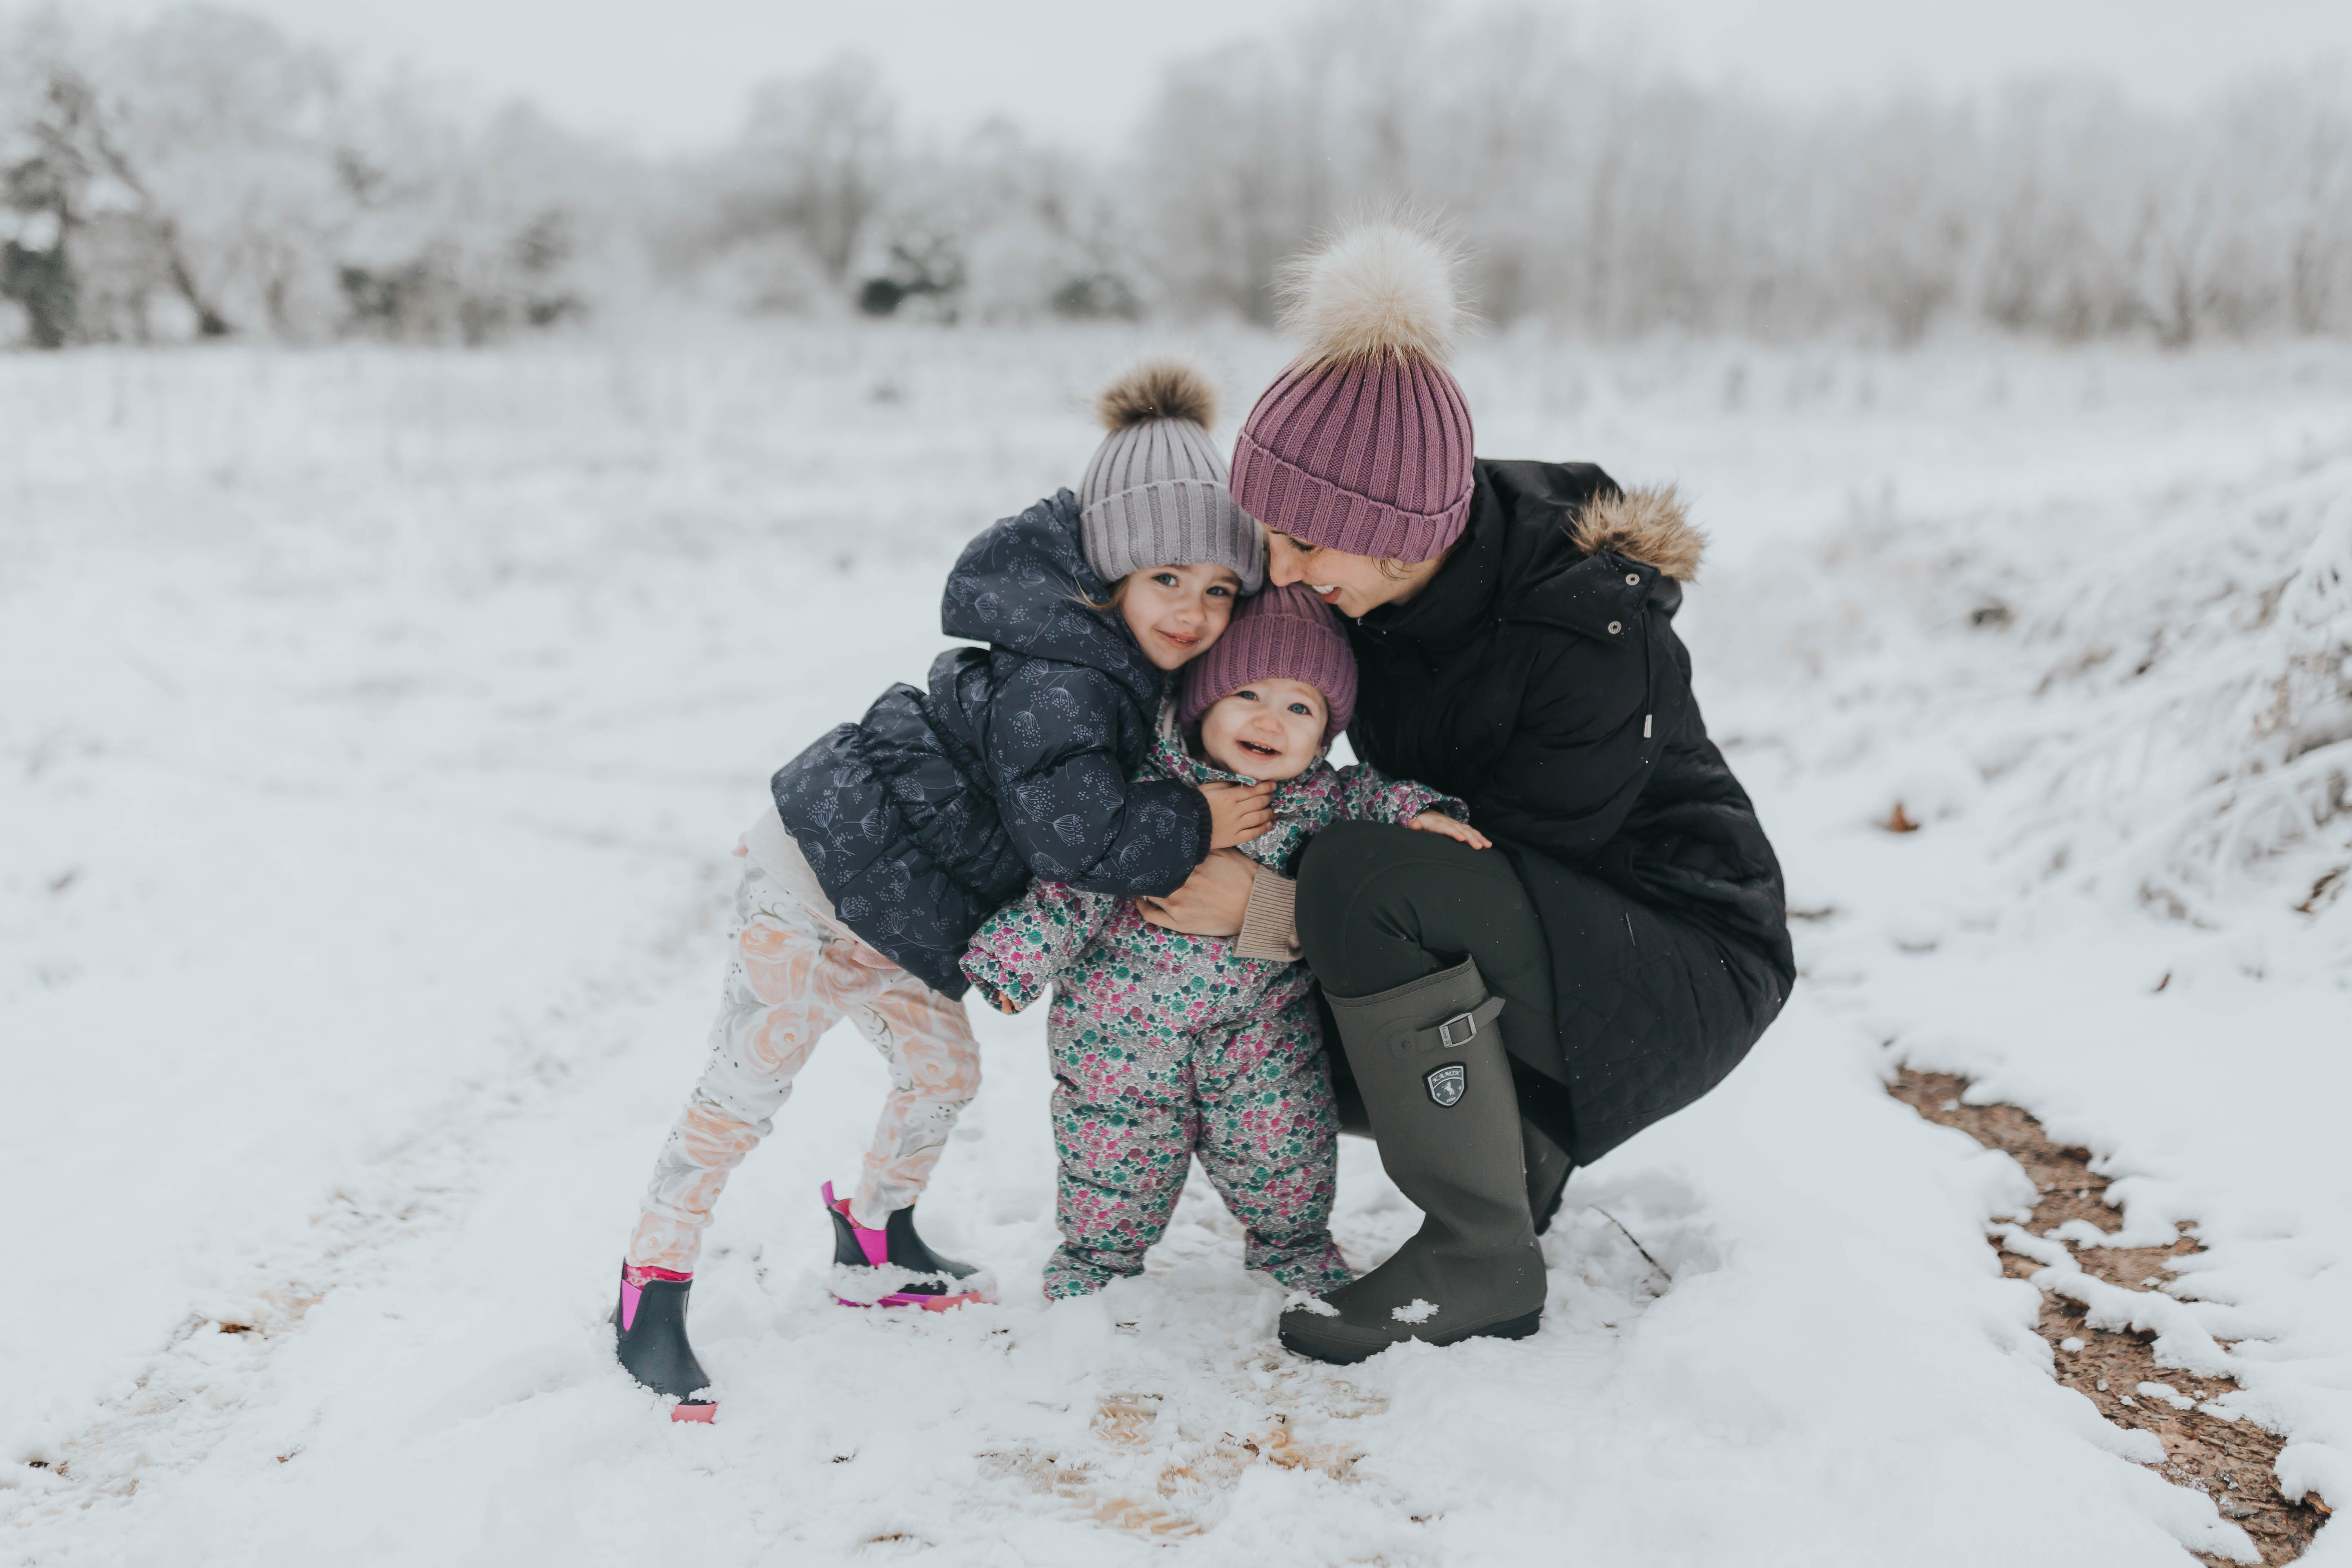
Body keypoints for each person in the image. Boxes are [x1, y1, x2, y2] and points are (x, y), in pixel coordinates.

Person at [1140, 220, 1795, 1364]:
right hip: (1550, 926)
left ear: (1391, 534)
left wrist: (1264, 907)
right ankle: (1518, 1153)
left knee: (1351, 886)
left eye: (1302, 546)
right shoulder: (1374, 595)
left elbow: (1495, 866)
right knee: (1308, 953)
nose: (1278, 574)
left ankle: (1481, 1253)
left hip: (1679, 952)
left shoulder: (1582, 632)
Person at [612, 362, 1276, 1419]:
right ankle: (651, 1284)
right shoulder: (1063, 676)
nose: (1194, 613)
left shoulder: (1112, 661)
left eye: (1218, 590)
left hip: (904, 910)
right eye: (1168, 582)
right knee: (746, 1088)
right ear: (1110, 570)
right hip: (816, 884)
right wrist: (1200, 822)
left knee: (941, 1073)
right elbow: (1075, 835)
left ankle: (874, 1237)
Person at [962, 585, 1483, 1301]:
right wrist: (1012, 956)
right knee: (1114, 1155)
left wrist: (1420, 814)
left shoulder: (1323, 797)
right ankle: (1096, 1259)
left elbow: (1374, 794)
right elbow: (1076, 883)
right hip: (1117, 1034)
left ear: (1325, 733)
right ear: (1203, 703)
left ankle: (1294, 1247)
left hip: (1260, 1031)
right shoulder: (1147, 788)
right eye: (1248, 693)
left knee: (1286, 1148)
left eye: (1300, 707)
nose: (1271, 719)